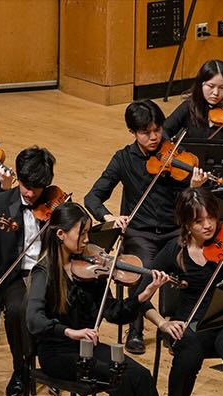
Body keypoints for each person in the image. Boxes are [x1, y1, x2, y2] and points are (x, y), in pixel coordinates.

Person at [84, 99, 208, 355]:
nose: (154, 137)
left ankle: (178, 329)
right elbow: (93, 197)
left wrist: (193, 189)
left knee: (189, 269)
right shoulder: (123, 159)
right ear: (132, 132)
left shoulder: (176, 155)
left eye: (157, 130)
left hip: (175, 231)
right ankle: (136, 328)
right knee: (143, 271)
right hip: (140, 233)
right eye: (146, 132)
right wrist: (109, 218)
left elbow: (190, 204)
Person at [26, 202, 169, 396]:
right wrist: (71, 332)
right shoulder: (44, 272)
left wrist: (144, 294)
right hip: (57, 353)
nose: (87, 240)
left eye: (88, 234)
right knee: (120, 377)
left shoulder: (90, 270)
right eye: (81, 234)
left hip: (88, 349)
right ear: (61, 235)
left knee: (141, 376)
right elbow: (34, 320)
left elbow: (113, 312)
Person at [138, 187, 223, 396]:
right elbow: (139, 296)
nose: (208, 225)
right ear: (185, 223)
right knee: (187, 360)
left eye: (211, 217)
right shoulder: (174, 251)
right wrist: (162, 323)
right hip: (191, 323)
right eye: (198, 221)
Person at [0, 146, 55, 396]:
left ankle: (59, 368)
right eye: (25, 185)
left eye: (35, 188)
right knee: (18, 309)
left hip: (49, 273)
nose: (28, 193)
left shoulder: (56, 204)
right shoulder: (2, 202)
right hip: (16, 276)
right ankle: (22, 369)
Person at [163, 59, 223, 140]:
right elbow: (164, 131)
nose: (216, 92)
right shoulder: (188, 107)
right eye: (211, 86)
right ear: (201, 84)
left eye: (222, 87)